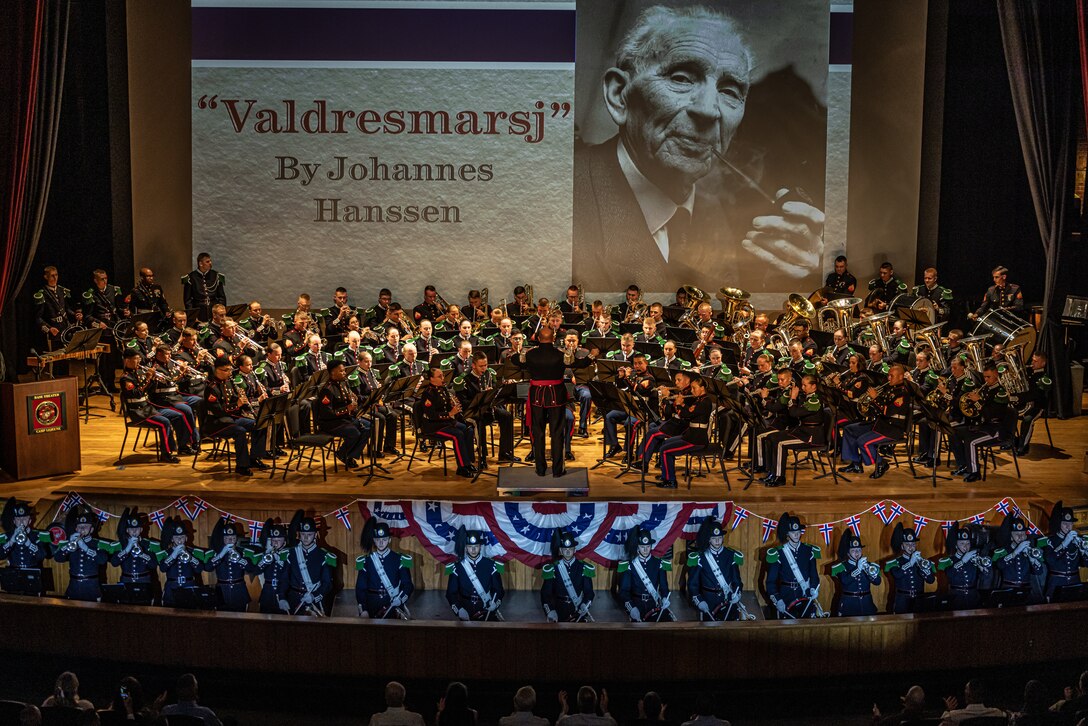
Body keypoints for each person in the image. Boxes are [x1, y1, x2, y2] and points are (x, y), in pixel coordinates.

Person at [572, 5, 824, 292]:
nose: (708, 111)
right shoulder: (561, 197)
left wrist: (790, 275)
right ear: (619, 96)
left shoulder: (727, 216)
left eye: (729, 92)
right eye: (681, 78)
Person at [511, 324, 596, 477]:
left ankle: (540, 469)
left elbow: (515, 360)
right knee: (557, 432)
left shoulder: (530, 354)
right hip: (556, 395)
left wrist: (516, 352)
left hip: (536, 395)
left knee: (538, 432)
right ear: (554, 338)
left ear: (538, 339)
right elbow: (581, 363)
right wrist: (592, 354)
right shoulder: (561, 354)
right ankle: (558, 470)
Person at [839, 363, 911, 479]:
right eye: (888, 375)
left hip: (892, 428)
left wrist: (875, 398)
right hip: (880, 423)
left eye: (892, 376)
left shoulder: (903, 393)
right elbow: (878, 408)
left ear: (901, 377)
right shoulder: (889, 388)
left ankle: (881, 463)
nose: (888, 378)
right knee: (849, 429)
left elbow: (887, 411)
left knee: (863, 442)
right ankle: (856, 464)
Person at [950, 362, 1015, 482]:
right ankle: (963, 465)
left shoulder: (1001, 393)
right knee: (953, 432)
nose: (985, 380)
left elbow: (991, 414)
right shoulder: (985, 389)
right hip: (983, 426)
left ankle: (974, 472)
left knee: (971, 442)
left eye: (988, 377)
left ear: (996, 375)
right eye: (984, 377)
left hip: (996, 430)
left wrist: (977, 401)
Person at [202, 357, 267, 476]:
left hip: (231, 419)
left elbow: (232, 401)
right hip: (216, 423)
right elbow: (219, 411)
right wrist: (236, 404)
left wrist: (241, 398)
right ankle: (242, 466)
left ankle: (254, 458)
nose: (230, 373)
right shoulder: (211, 388)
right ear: (217, 370)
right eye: (226, 370)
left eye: (230, 370)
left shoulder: (229, 382)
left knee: (259, 423)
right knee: (240, 431)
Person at [759, 373, 825, 488]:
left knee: (780, 443)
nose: (802, 388)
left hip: (811, 436)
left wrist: (793, 398)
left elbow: (794, 413)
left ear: (814, 386)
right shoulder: (807, 396)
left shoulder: (815, 400)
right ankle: (771, 473)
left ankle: (780, 477)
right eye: (802, 385)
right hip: (801, 431)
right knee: (771, 437)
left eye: (805, 385)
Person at [655, 373, 713, 489]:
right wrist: (680, 405)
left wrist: (680, 404)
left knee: (665, 451)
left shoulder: (705, 402)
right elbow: (688, 413)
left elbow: (686, 414)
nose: (692, 391)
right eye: (691, 388)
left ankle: (670, 481)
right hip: (690, 435)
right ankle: (666, 474)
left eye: (694, 388)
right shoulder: (698, 400)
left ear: (702, 388)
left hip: (696, 440)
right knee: (666, 443)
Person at [419, 366, 477, 478]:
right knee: (457, 435)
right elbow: (431, 415)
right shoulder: (428, 394)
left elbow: (445, 405)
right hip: (433, 426)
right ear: (431, 379)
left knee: (468, 430)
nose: (443, 378)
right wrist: (450, 414)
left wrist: (452, 405)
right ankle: (461, 467)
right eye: (439, 376)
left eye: (443, 375)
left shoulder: (443, 388)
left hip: (445, 423)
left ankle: (468, 462)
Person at [314, 359, 371, 470]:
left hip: (344, 419)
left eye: (344, 371)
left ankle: (349, 455)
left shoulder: (344, 383)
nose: (344, 373)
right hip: (330, 423)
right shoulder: (327, 390)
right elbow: (327, 414)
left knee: (368, 426)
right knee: (354, 432)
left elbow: (347, 400)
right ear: (332, 373)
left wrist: (352, 399)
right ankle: (342, 453)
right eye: (341, 371)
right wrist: (347, 408)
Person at [686, 518, 746, 621]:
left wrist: (738, 593)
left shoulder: (731, 555)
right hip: (708, 601)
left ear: (723, 538)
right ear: (709, 539)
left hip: (728, 599)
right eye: (714, 538)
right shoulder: (700, 557)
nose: (717, 541)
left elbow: (736, 580)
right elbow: (693, 584)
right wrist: (699, 601)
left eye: (719, 537)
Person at [765, 512, 822, 618]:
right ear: (787, 533)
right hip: (785, 596)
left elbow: (814, 575)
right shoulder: (778, 553)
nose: (796, 534)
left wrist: (814, 588)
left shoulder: (809, 550)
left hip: (805, 594)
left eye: (798, 531)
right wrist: (777, 599)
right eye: (792, 532)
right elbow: (771, 582)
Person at [355, 518, 414, 620]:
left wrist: (400, 600)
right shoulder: (366, 561)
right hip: (370, 606)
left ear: (389, 540)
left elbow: (408, 585)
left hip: (393, 605)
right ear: (374, 540)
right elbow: (360, 588)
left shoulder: (399, 559)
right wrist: (363, 609)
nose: (381, 543)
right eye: (378, 540)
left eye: (384, 539)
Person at [446, 527, 504, 621]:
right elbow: (450, 593)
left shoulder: (491, 565)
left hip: (486, 609)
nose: (473, 550)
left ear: (480, 546)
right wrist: (458, 610)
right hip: (465, 609)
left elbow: (499, 591)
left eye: (476, 546)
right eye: (470, 547)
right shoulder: (457, 567)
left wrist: (495, 604)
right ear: (465, 547)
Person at [285, 510, 336, 616]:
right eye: (303, 534)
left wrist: (315, 596)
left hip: (314, 602)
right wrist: (281, 597)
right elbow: (284, 578)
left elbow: (327, 583)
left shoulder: (323, 556)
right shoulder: (291, 554)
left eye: (309, 534)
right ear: (299, 534)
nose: (306, 537)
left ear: (315, 534)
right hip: (293, 601)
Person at [618, 526, 674, 622]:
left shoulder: (658, 564)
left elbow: (664, 587)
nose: (645, 550)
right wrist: (631, 607)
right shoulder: (629, 565)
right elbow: (624, 591)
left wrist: (665, 598)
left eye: (648, 547)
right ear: (637, 547)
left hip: (654, 604)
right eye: (642, 547)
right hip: (636, 605)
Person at [52, 506, 108, 602]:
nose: (82, 529)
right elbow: (58, 558)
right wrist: (68, 545)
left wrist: (85, 548)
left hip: (92, 589)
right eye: (79, 526)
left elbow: (102, 560)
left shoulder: (98, 543)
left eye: (86, 526)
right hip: (74, 588)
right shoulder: (70, 543)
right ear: (76, 529)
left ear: (91, 530)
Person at [540, 529, 595, 623]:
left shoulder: (584, 567)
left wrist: (584, 605)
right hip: (558, 611)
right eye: (565, 549)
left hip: (578, 610)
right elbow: (545, 594)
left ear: (575, 549)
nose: (568, 551)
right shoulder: (553, 568)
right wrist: (550, 611)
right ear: (561, 550)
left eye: (570, 549)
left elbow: (589, 593)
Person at [0, 498, 52, 594]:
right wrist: (11, 541)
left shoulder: (39, 535)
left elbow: (42, 555)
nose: (21, 522)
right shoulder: (6, 536)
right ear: (14, 521)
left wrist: (28, 543)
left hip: (33, 576)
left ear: (29, 520)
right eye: (18, 519)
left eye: (24, 518)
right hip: (13, 576)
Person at [1039, 501, 1088, 601]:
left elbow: (1085, 564)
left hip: (1075, 583)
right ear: (1059, 524)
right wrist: (1064, 543)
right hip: (1056, 584)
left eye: (1070, 523)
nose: (1068, 527)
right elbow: (1050, 561)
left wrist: (1085, 552)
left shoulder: (1077, 540)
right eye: (1065, 523)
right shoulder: (1050, 541)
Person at [883, 523, 935, 614]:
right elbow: (897, 575)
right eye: (907, 544)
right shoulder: (894, 562)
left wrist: (924, 569)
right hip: (902, 600)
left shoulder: (923, 561)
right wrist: (911, 563)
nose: (911, 547)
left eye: (913, 544)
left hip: (919, 600)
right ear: (902, 546)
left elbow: (931, 580)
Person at [936, 523, 990, 610]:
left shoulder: (974, 559)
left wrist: (983, 569)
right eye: (962, 543)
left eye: (968, 543)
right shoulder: (948, 560)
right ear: (956, 546)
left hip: (973, 597)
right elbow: (950, 575)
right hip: (956, 597)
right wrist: (963, 561)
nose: (966, 546)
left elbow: (984, 578)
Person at [111, 508, 159, 603]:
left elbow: (153, 565)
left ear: (141, 529)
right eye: (131, 529)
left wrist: (142, 554)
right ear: (127, 530)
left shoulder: (148, 544)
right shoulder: (121, 544)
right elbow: (114, 562)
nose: (134, 531)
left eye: (137, 529)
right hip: (126, 582)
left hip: (144, 582)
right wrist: (127, 548)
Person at [243, 519, 290, 614]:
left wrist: (280, 561)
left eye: (279, 540)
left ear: (284, 542)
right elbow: (255, 572)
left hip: (284, 593)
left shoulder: (289, 555)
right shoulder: (266, 555)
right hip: (267, 593)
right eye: (273, 540)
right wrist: (264, 560)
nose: (275, 543)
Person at [204, 517, 249, 612]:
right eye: (227, 538)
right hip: (221, 592)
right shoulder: (216, 553)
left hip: (239, 592)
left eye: (233, 538)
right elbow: (207, 568)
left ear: (236, 539)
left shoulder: (243, 552)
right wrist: (220, 555)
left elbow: (251, 569)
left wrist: (239, 558)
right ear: (223, 539)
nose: (230, 541)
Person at [157, 517, 205, 607]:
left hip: (189, 589)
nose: (179, 540)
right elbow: (163, 568)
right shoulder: (166, 553)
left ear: (186, 538)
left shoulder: (192, 552)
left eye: (182, 537)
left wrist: (189, 556)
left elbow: (199, 569)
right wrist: (174, 554)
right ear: (172, 539)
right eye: (176, 537)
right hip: (171, 589)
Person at [830, 532, 880, 616]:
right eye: (853, 550)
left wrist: (869, 572)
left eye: (859, 550)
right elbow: (845, 581)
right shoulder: (840, 566)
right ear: (848, 553)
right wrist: (858, 569)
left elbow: (878, 582)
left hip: (867, 604)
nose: (857, 553)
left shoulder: (869, 565)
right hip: (849, 605)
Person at [1014, 351, 1052, 456]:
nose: (1032, 363)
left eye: (1035, 361)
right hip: (1023, 404)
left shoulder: (1045, 378)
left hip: (1037, 407)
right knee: (1006, 414)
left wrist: (1017, 397)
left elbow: (1035, 395)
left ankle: (1023, 446)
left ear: (1043, 364)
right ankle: (1012, 440)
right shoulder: (1028, 372)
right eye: (1032, 360)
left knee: (1027, 419)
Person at [181, 252, 226, 322]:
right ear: (200, 264)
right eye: (207, 262)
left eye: (210, 261)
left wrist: (221, 312)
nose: (210, 263)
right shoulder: (191, 278)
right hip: (199, 313)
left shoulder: (216, 276)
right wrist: (193, 315)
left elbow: (221, 297)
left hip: (214, 312)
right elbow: (187, 300)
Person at [938, 680, 1006, 725]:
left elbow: (941, 723)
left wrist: (948, 710)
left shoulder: (953, 716)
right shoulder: (997, 713)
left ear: (967, 695)